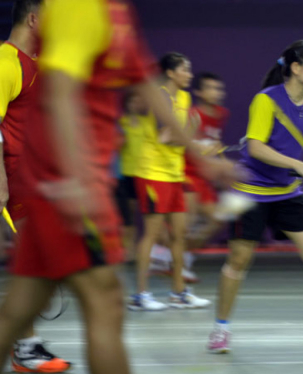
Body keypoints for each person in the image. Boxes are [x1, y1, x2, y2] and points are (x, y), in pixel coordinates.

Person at [0, 2, 238, 374]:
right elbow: (60, 94)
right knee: (106, 300)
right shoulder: (73, 8)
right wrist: (74, 179)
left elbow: (146, 84)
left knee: (20, 307)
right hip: (64, 181)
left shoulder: (115, 11)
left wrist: (198, 157)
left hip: (72, 178)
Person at [207, 40, 303, 354]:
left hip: (287, 192)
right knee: (238, 260)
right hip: (250, 193)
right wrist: (298, 165)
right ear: (295, 68)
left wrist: (298, 170)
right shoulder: (266, 101)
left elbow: (290, 150)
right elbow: (256, 147)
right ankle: (220, 329)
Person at [0, 1, 70, 372]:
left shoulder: (39, 64)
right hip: (14, 179)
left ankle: (25, 344)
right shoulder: (6, 62)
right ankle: (25, 347)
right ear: (32, 19)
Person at [129, 52, 212, 311]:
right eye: (185, 70)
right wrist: (196, 142)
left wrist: (194, 141)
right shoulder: (160, 97)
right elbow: (166, 137)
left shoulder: (185, 97)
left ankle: (178, 292)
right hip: (153, 173)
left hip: (175, 173)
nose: (189, 74)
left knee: (179, 234)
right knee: (152, 235)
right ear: (170, 73)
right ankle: (141, 295)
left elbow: (180, 136)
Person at [183, 72, 229, 260]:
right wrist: (203, 150)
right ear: (199, 92)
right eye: (210, 88)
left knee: (218, 219)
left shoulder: (221, 114)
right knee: (185, 224)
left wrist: (223, 161)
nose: (216, 92)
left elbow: (215, 143)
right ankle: (173, 259)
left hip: (204, 178)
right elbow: (186, 144)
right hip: (187, 174)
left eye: (218, 88)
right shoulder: (192, 114)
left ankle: (182, 255)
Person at [115, 92, 149, 263]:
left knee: (143, 213)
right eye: (132, 101)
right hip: (126, 173)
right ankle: (128, 249)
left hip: (143, 172)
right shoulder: (122, 123)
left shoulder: (146, 123)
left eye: (138, 100)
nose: (135, 104)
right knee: (128, 214)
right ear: (126, 103)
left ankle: (139, 249)